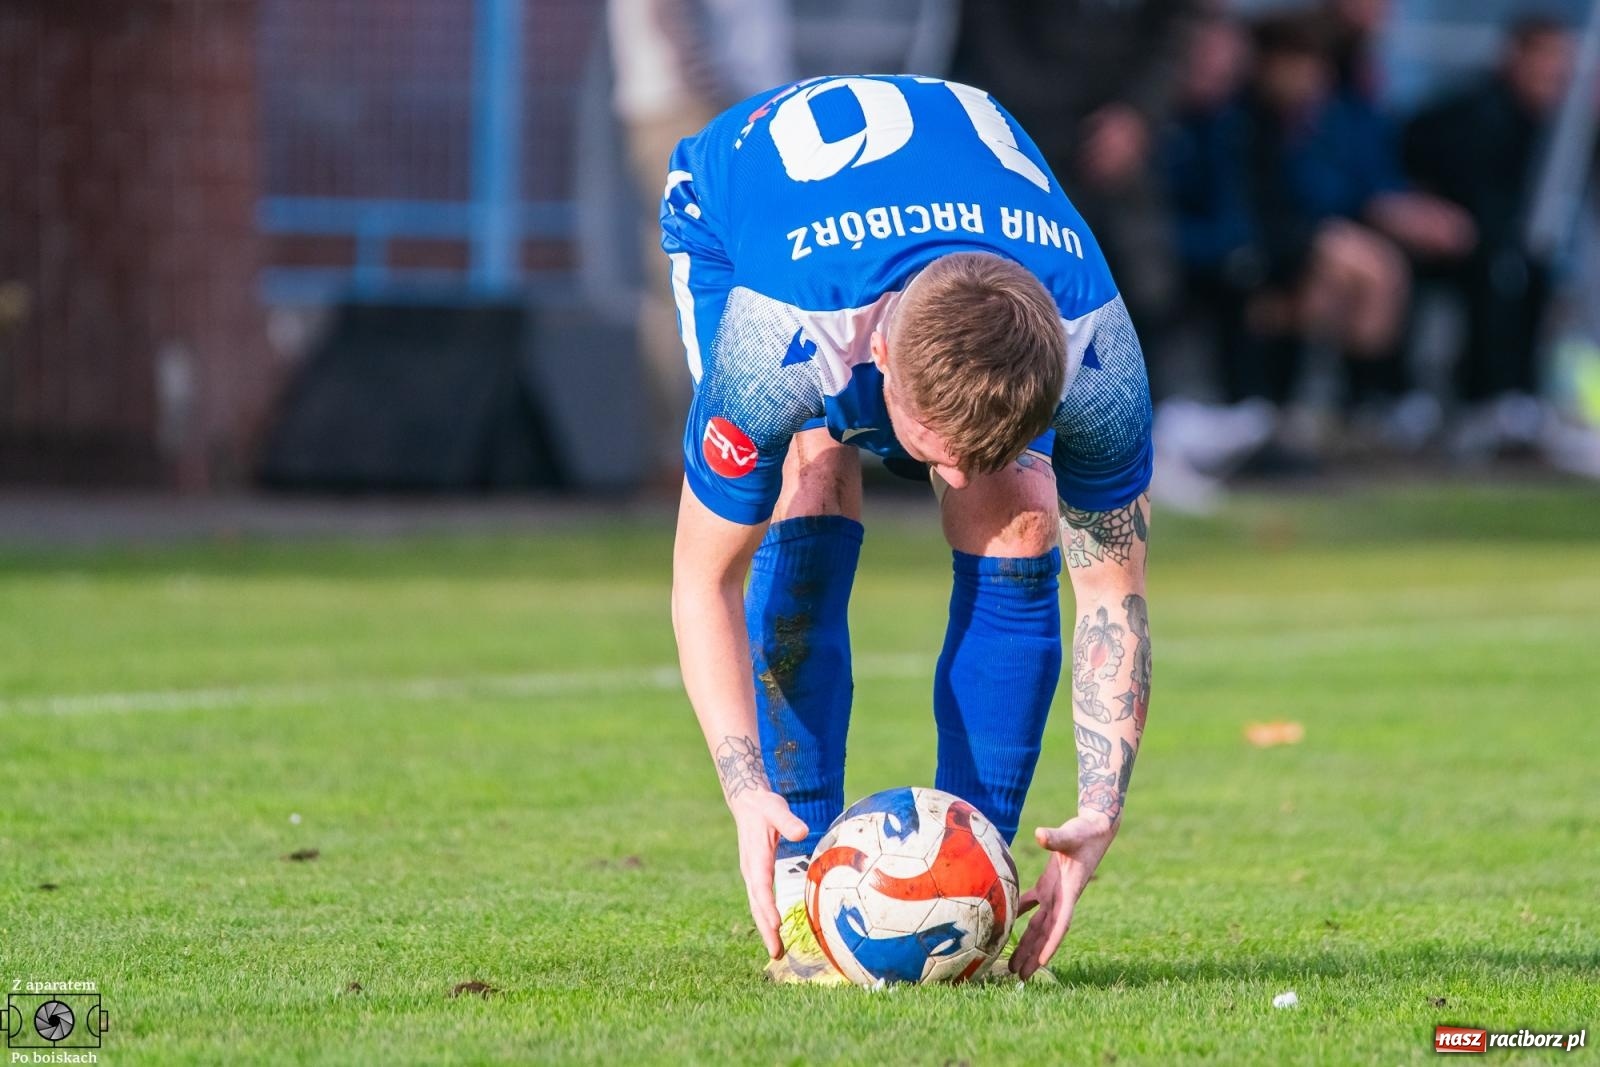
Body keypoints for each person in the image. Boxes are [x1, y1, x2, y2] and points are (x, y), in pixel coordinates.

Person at [662, 74, 1154, 983]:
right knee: (812, 477)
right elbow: (704, 578)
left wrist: (1102, 804)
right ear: (881, 357)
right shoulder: (779, 341)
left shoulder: (1097, 349)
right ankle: (802, 878)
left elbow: (1112, 593)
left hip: (964, 239)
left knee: (1020, 515)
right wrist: (745, 791)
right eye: (940, 449)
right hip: (749, 223)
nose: (953, 477)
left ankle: (975, 889)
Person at [1403, 16, 1576, 453]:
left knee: (1534, 271)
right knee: (1503, 270)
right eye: (1546, 57)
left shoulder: (1555, 126)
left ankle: (1521, 399)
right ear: (1514, 57)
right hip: (1451, 243)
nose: (1555, 71)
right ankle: (1483, 402)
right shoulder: (1474, 116)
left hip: (1496, 244)